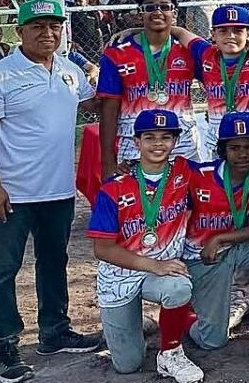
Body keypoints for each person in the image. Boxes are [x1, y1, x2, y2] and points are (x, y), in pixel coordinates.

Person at [0, 0, 101, 383]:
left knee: (54, 260)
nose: (48, 33)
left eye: (54, 26)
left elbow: (95, 104)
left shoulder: (69, 71)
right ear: (20, 32)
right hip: (12, 194)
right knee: (3, 269)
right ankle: (2, 346)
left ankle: (54, 331)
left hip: (57, 191)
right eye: (38, 26)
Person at [87, 109, 203, 382]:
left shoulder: (185, 172)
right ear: (136, 142)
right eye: (149, 137)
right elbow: (102, 249)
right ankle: (138, 322)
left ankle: (170, 353)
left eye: (166, 137)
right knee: (128, 364)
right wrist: (154, 265)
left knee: (178, 286)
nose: (158, 144)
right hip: (120, 276)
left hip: (161, 272)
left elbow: (229, 170)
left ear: (175, 141)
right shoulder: (114, 187)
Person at [180, 111, 249, 367]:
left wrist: (222, 237)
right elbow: (160, 175)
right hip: (204, 257)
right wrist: (128, 168)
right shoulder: (199, 175)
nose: (243, 154)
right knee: (212, 340)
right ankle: (181, 317)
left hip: (241, 246)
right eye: (234, 148)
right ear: (222, 150)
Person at [98, 0, 200, 178]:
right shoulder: (115, 54)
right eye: (150, 7)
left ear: (175, 13)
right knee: (136, 198)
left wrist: (178, 31)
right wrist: (108, 162)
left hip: (182, 146)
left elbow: (222, 67)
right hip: (134, 147)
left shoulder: (188, 51)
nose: (157, 12)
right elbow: (108, 110)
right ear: (140, 13)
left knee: (186, 198)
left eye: (165, 7)